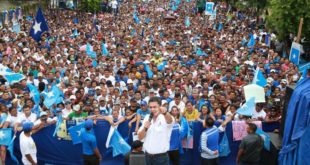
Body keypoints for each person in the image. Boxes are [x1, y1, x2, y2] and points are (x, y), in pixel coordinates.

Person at [138, 97, 173, 165]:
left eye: (155, 107)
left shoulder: (165, 117)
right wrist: (145, 128)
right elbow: (139, 137)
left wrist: (165, 112)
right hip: (147, 156)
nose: (152, 109)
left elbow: (170, 121)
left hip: (161, 158)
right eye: (150, 107)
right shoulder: (147, 117)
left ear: (160, 107)